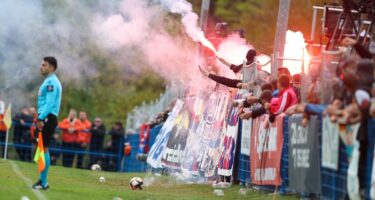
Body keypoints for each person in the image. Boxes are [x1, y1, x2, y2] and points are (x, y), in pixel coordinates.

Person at [32, 56, 62, 190]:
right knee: (43, 148)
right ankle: (42, 180)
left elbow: (49, 103)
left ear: (51, 67)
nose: (41, 67)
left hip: (47, 118)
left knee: (44, 149)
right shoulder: (50, 81)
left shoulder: (51, 82)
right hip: (47, 117)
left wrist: (41, 118)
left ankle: (44, 182)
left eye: (44, 65)